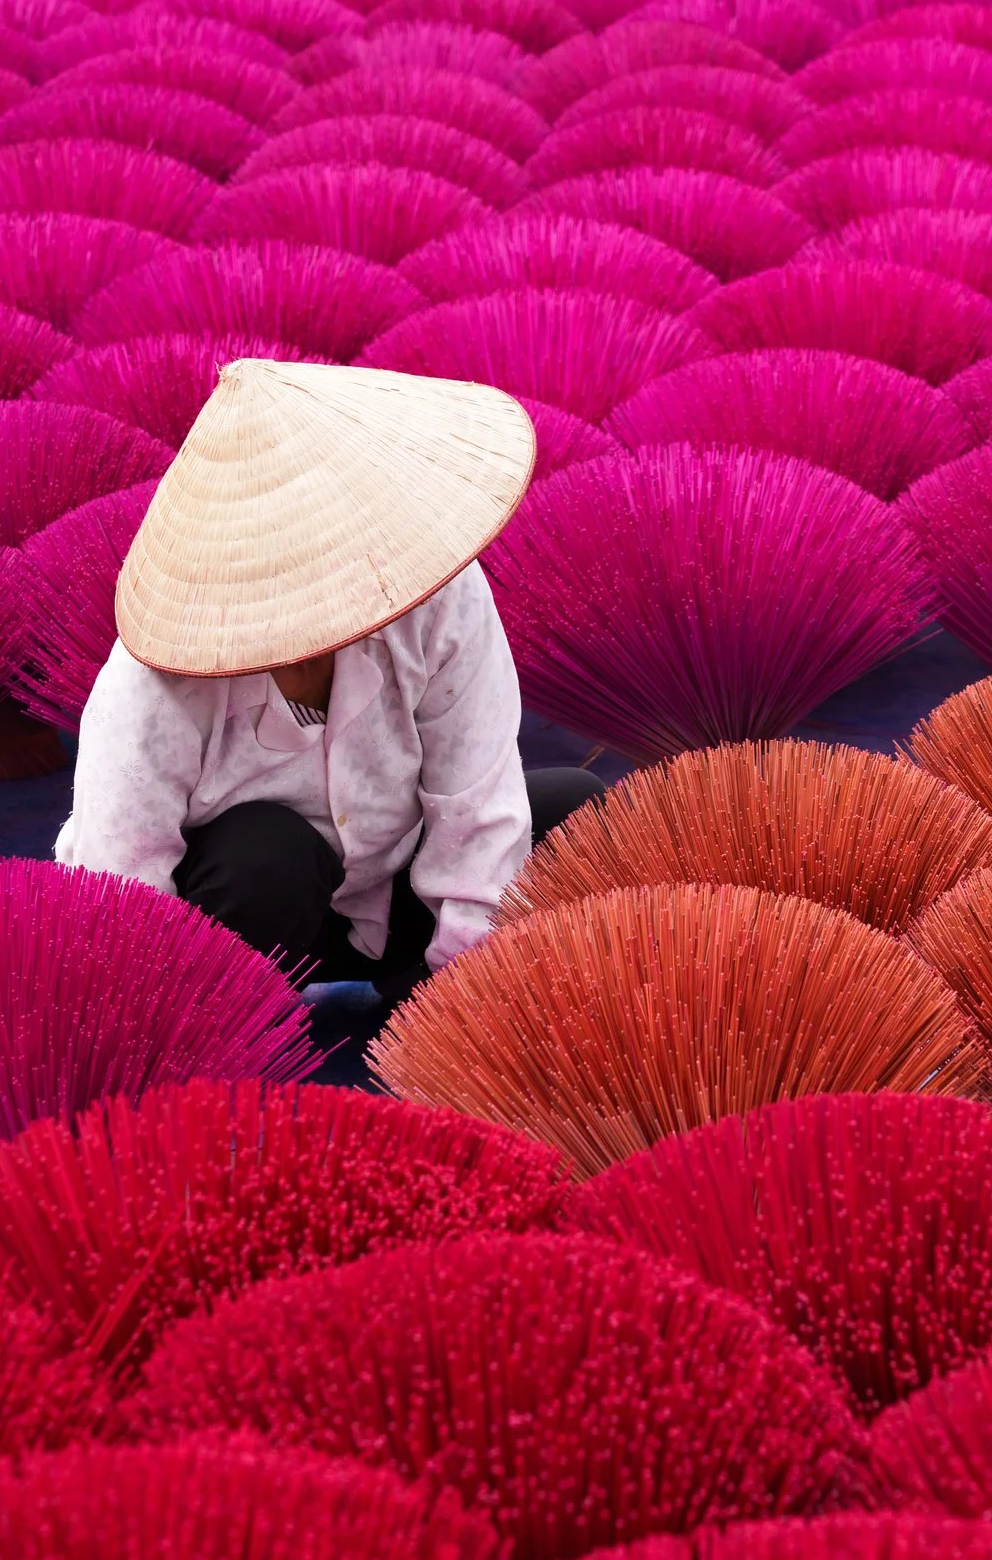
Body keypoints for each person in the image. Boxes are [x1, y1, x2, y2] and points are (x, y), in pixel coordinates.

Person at [55, 359, 601, 1075]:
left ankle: (423, 1002)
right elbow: (122, 888)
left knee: (575, 813)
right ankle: (233, 1037)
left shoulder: (440, 602)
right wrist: (157, 1045)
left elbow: (477, 805)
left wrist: (468, 1005)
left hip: (400, 890)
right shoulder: (156, 685)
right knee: (267, 853)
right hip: (249, 928)